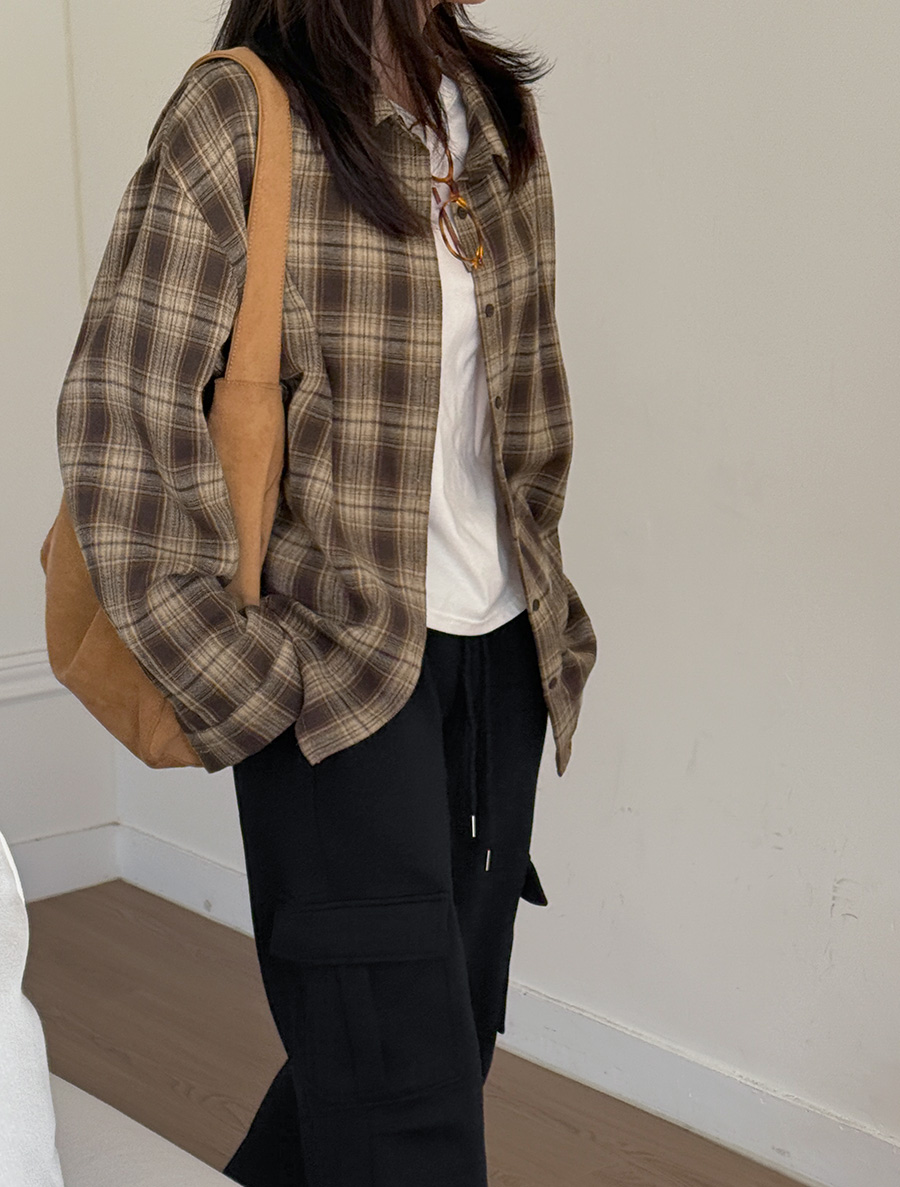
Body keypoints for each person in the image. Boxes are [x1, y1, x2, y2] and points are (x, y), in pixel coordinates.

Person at [54, 0, 597, 1182]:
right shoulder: (239, 113)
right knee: (406, 1109)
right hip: (335, 680)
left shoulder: (494, 111)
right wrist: (257, 686)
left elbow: (527, 398)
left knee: (433, 1047)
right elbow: (120, 424)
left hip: (501, 665)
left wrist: (548, 606)